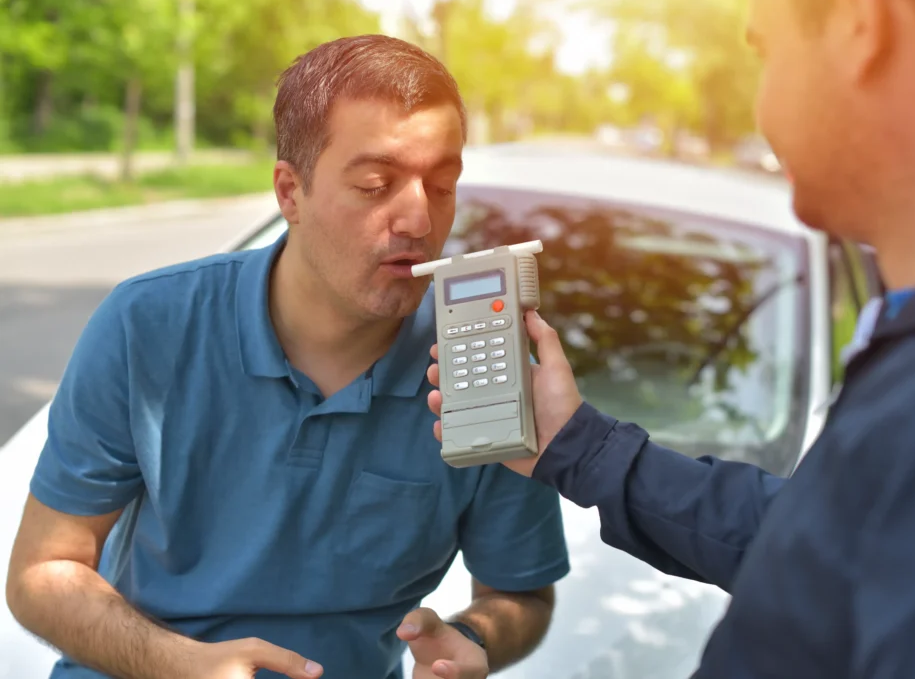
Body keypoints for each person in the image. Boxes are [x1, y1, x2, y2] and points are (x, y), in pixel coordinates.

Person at [424, 0, 915, 677]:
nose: (761, 110)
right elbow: (822, 540)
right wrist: (577, 445)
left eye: (765, 50)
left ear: (865, 21)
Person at [5, 35, 570, 679]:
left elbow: (521, 593)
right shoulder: (149, 324)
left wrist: (476, 638)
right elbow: (43, 572)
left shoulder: (480, 361)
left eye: (442, 186)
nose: (418, 217)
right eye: (375, 184)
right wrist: (179, 665)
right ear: (289, 192)